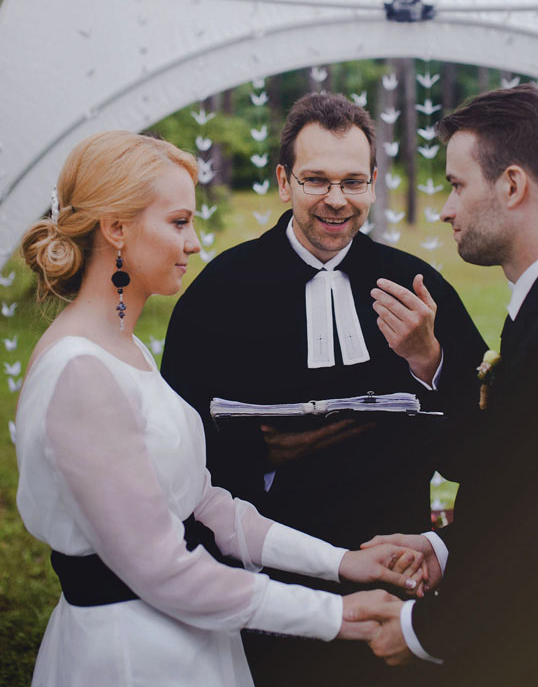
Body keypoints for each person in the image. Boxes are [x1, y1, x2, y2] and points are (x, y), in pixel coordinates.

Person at [15, 129, 427, 687]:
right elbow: (165, 571)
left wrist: (340, 562)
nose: (194, 243)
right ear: (116, 229)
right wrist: (337, 615)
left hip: (189, 638)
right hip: (132, 655)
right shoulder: (81, 373)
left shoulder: (125, 347)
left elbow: (203, 503)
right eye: (179, 222)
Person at [161, 92, 486, 686]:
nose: (337, 200)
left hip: (390, 565)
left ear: (373, 183)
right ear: (284, 182)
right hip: (264, 577)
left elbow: (474, 450)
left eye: (353, 182)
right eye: (316, 180)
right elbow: (170, 452)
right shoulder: (219, 291)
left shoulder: (417, 286)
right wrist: (259, 454)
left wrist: (429, 361)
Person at [349, 84, 538, 687]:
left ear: (514, 186)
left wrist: (424, 630)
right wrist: (442, 548)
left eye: (456, 184)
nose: (446, 209)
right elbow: (528, 483)